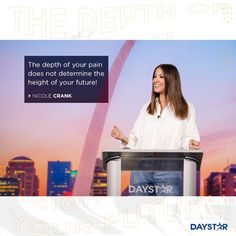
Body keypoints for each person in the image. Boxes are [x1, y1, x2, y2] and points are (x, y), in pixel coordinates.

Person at [111, 64, 200, 196]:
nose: (155, 80)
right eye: (154, 76)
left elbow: (188, 139)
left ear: (172, 79)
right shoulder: (146, 108)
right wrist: (123, 138)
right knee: (138, 213)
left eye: (161, 76)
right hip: (140, 171)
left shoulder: (187, 108)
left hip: (169, 171)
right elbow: (136, 140)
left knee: (168, 214)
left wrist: (191, 144)